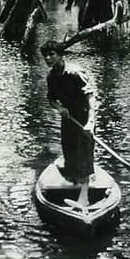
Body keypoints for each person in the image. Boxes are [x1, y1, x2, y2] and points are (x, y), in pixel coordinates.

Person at [40, 40, 96, 207]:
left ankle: (84, 199)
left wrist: (91, 123)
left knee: (84, 156)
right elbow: (51, 99)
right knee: (70, 154)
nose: (48, 58)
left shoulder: (75, 72)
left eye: (52, 54)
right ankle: (76, 186)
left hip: (84, 118)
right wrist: (60, 108)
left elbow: (91, 97)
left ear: (60, 55)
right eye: (46, 56)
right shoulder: (51, 76)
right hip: (68, 119)